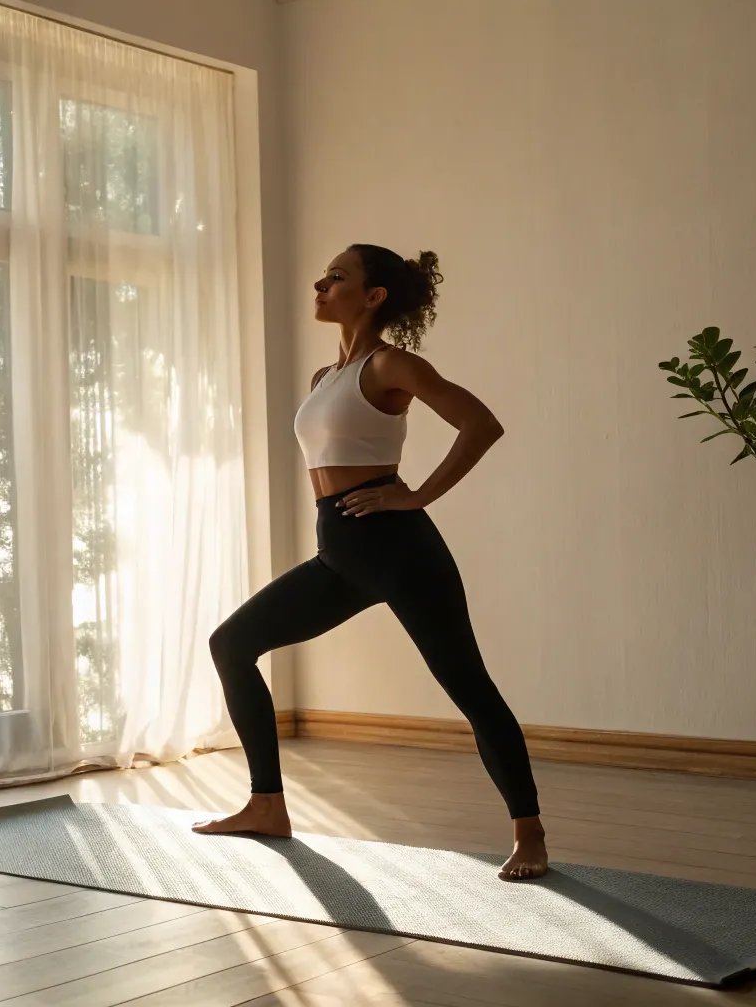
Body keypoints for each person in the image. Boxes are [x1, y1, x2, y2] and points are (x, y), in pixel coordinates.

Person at [192, 244, 549, 881]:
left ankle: (529, 833)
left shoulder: (392, 365)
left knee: (469, 687)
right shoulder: (323, 379)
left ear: (373, 295)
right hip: (342, 550)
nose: (320, 284)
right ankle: (267, 805)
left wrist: (415, 495)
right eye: (324, 275)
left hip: (400, 548)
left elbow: (480, 424)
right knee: (231, 642)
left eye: (337, 277)